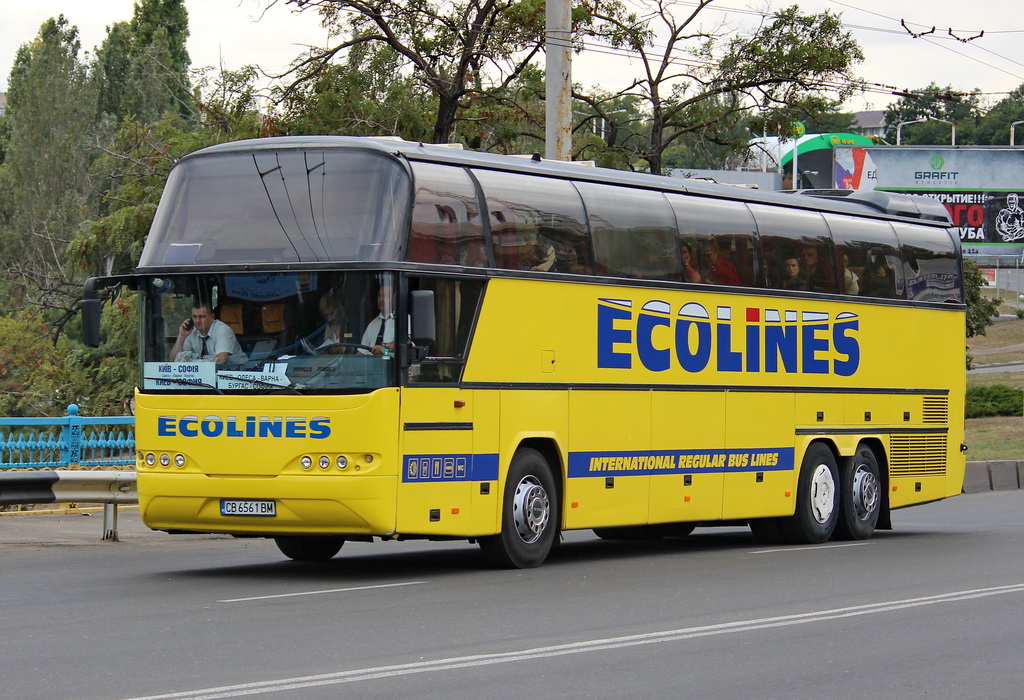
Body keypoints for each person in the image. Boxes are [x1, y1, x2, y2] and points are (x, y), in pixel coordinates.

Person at [170, 302, 242, 363]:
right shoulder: (191, 332)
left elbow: (220, 360)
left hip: (238, 374)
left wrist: (194, 363)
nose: (197, 321)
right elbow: (173, 360)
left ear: (212, 317)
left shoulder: (222, 330)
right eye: (194, 317)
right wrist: (181, 337)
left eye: (201, 317)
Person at [359, 284, 395, 356]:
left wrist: (385, 348)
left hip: (393, 366)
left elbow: (407, 343)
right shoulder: (373, 324)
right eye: (379, 296)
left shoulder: (404, 320)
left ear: (393, 298)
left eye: (385, 296)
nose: (381, 299)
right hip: (372, 366)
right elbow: (362, 351)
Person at [315, 289, 348, 354]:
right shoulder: (328, 327)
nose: (329, 318)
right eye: (326, 316)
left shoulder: (349, 325)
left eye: (332, 313)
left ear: (339, 310)